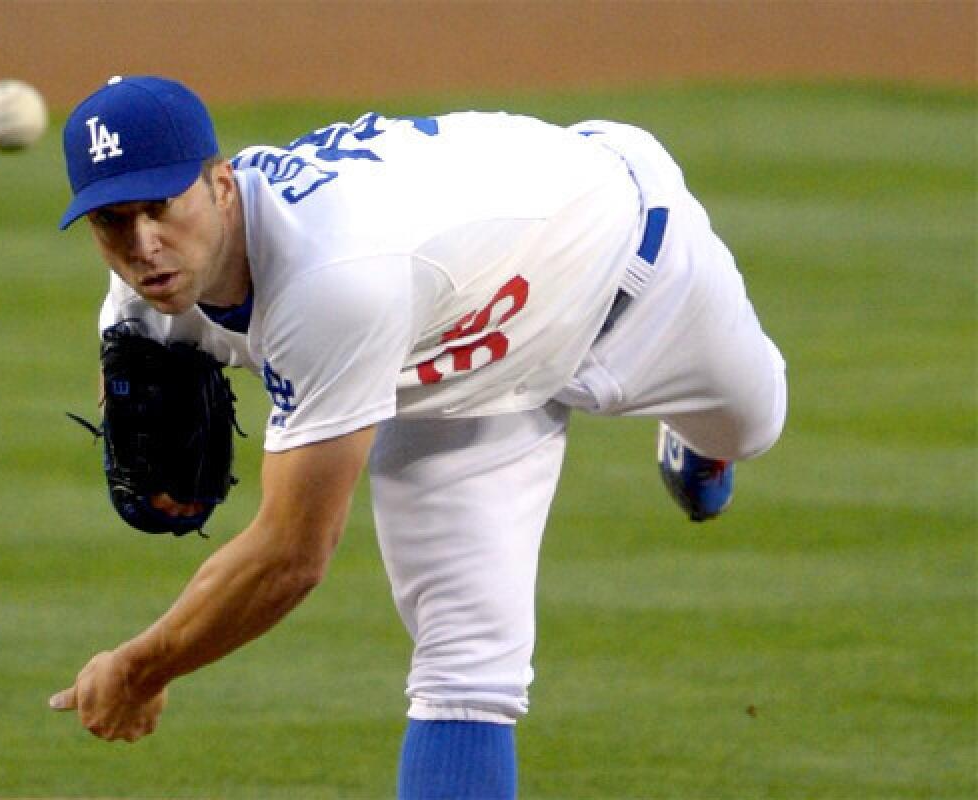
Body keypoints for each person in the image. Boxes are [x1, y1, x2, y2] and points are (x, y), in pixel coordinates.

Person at [48, 75, 787, 798]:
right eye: (113, 221)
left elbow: (291, 556)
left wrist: (143, 669)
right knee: (464, 673)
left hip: (638, 278)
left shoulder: (334, 276)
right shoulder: (140, 305)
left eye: (160, 207)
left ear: (221, 186)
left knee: (756, 424)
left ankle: (698, 435)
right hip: (455, 387)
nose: (144, 244)